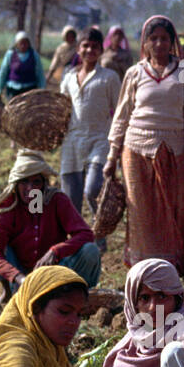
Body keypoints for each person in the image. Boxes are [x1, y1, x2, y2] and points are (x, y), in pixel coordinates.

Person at [105, 15, 184, 276]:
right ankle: (146, 269)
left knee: (175, 209)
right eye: (154, 39)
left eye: (164, 38)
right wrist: (111, 156)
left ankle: (173, 266)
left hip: (173, 149)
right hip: (136, 150)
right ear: (145, 43)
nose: (159, 44)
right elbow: (122, 115)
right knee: (142, 211)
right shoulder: (134, 72)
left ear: (172, 42)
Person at [0, 150, 101, 306]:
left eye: (36, 182)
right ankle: (9, 292)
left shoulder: (56, 200)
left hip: (53, 270)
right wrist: (19, 277)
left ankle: (78, 298)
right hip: (18, 272)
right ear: (16, 184)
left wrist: (56, 251)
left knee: (90, 250)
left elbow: (85, 234)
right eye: (24, 182)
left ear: (44, 184)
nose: (30, 188)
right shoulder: (8, 206)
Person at [58, 27, 121, 224]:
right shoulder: (68, 78)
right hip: (72, 141)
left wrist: (118, 145)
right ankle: (78, 242)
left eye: (95, 47)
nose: (89, 50)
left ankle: (99, 233)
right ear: (78, 49)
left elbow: (120, 111)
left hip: (100, 139)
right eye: (85, 46)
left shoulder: (109, 77)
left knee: (93, 189)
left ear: (101, 50)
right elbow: (61, 110)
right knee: (71, 198)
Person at [0, 31, 45, 100]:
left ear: (29, 44)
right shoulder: (10, 54)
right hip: (13, 91)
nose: (23, 45)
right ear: (17, 44)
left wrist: (42, 90)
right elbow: (3, 72)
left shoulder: (34, 55)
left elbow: (40, 74)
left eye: (25, 43)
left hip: (30, 90)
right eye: (21, 43)